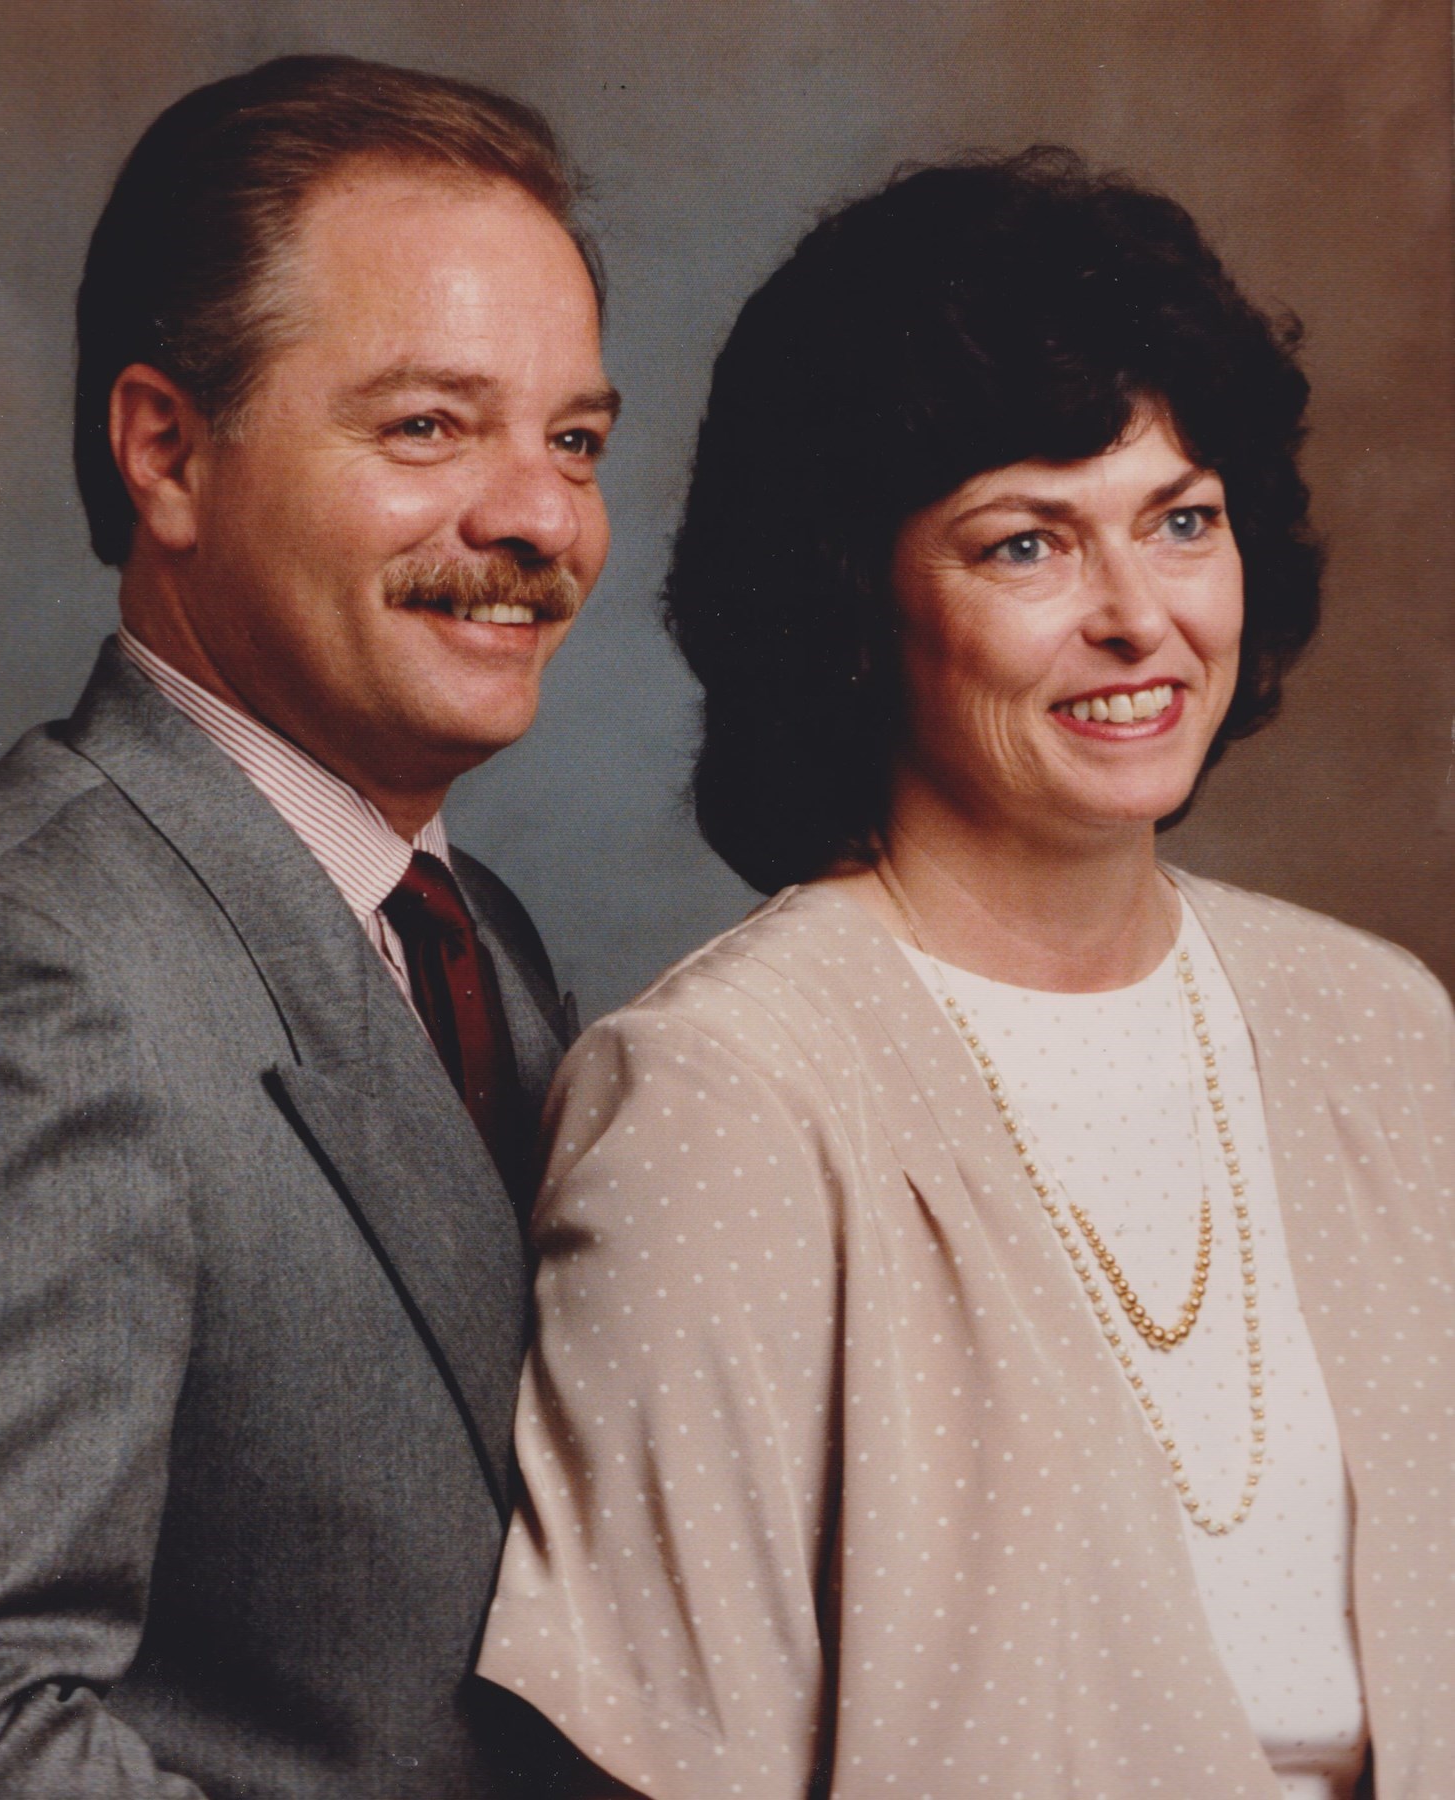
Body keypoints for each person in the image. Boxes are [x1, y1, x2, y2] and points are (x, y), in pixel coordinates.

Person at [477, 150, 1452, 1797]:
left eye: (1183, 522)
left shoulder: (1382, 1027)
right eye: (1026, 548)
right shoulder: (726, 1096)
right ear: (854, 602)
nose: (1137, 617)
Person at [0, 54, 619, 1799]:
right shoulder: (17, 967)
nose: (540, 515)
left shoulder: (477, 938)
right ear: (166, 451)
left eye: (575, 440)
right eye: (428, 426)